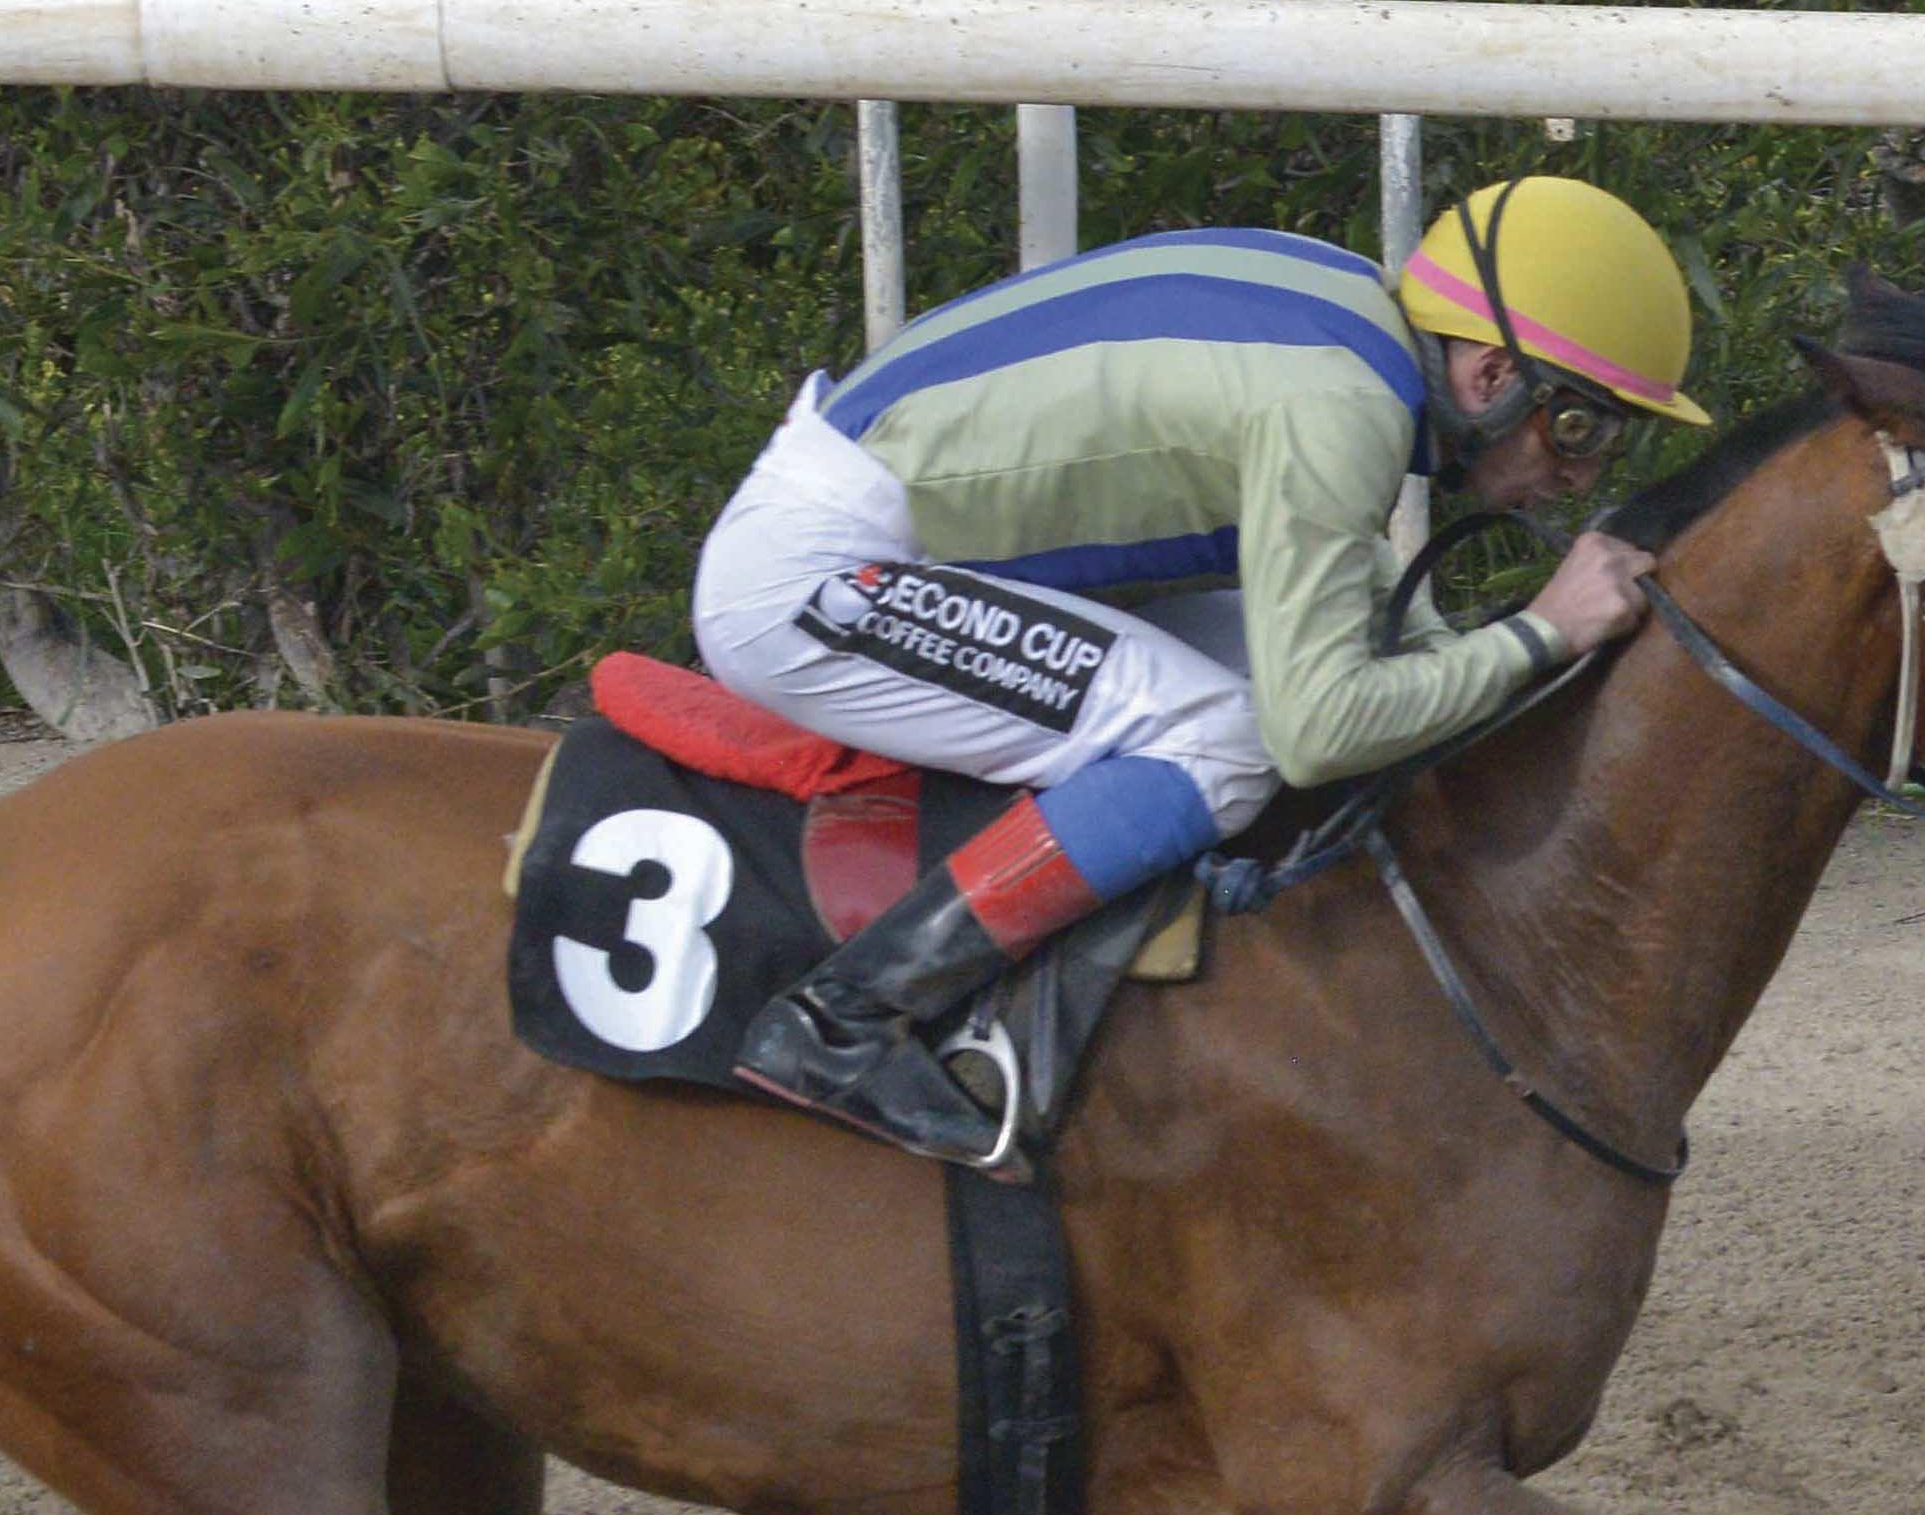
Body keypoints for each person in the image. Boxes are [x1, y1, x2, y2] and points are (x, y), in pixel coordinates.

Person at [686, 176, 1712, 1161]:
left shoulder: (1351, 317)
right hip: (811, 579)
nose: (1580, 475)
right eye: (1578, 427)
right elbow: (1320, 731)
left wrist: (1467, 657)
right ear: (1491, 374)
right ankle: (845, 1017)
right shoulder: (1343, 405)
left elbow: (1346, 576)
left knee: (1284, 693)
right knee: (1225, 740)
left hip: (872, 527)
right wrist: (1541, 633)